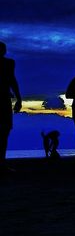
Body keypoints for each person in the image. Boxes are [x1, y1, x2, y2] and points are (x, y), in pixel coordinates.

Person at [0, 41, 22, 171]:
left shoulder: (9, 63)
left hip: (4, 100)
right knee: (4, 131)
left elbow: (12, 80)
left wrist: (19, 99)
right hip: (3, 100)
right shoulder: (8, 63)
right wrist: (19, 98)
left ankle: (1, 163)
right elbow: (12, 80)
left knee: (5, 131)